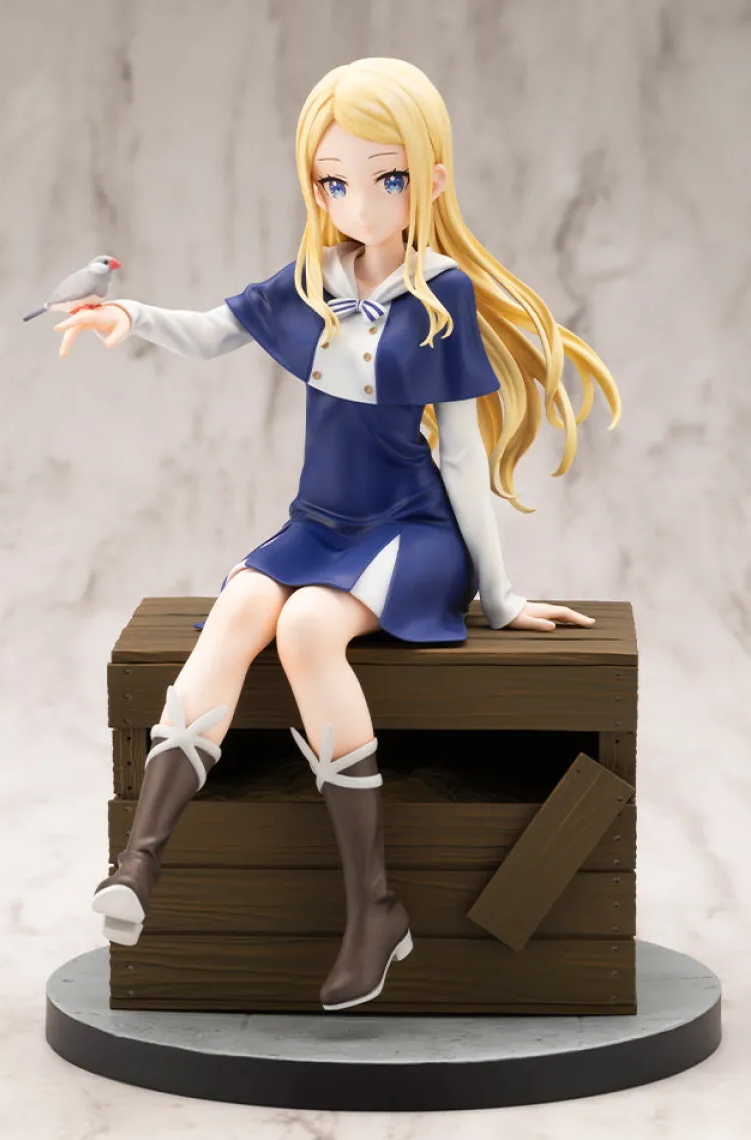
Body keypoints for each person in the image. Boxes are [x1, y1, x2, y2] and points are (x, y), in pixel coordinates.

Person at [52, 57, 621, 1012]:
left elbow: (462, 458)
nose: (358, 201)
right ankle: (139, 863)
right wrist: (128, 315)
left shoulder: (443, 294)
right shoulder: (313, 279)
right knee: (240, 608)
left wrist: (500, 596)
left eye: (386, 177)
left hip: (411, 529)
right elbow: (213, 331)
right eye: (334, 181)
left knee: (309, 627)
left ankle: (375, 908)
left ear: (430, 180)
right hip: (317, 523)